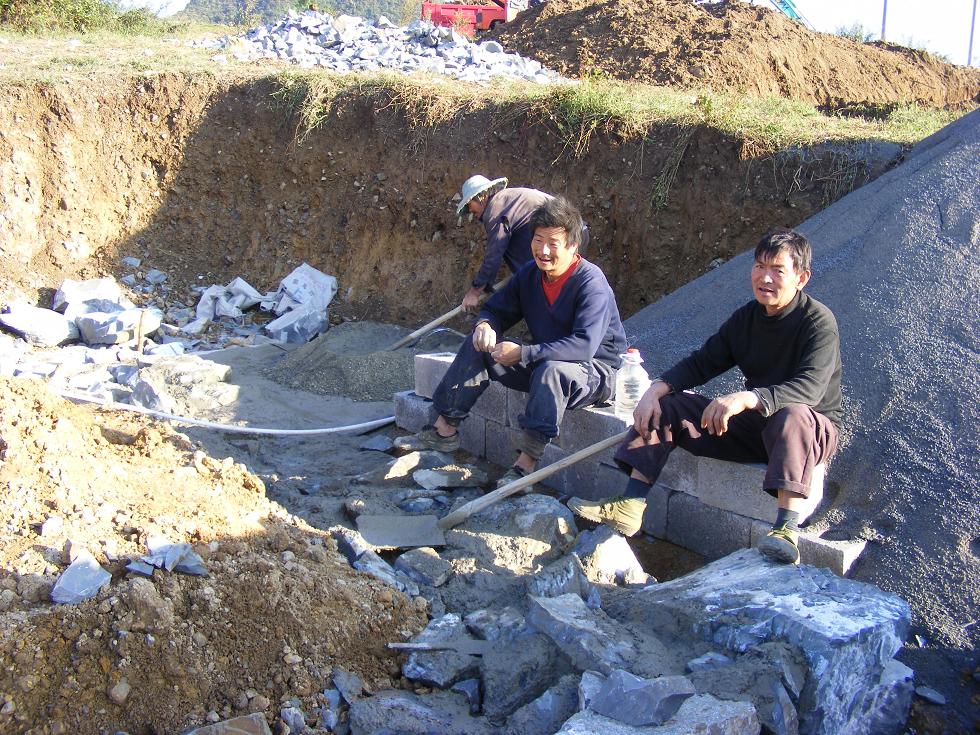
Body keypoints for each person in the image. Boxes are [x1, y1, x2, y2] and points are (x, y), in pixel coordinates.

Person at [567, 228, 842, 565]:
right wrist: (656, 389)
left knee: (792, 415)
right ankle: (631, 503)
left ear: (801, 278)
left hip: (809, 431)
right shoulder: (747, 319)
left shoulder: (817, 322)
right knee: (670, 406)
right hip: (759, 426)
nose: (765, 277)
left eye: (777, 270)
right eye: (759, 266)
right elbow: (703, 362)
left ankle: (786, 530)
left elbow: (810, 388)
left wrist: (746, 398)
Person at [410, 196, 627, 488]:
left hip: (594, 372)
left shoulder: (591, 283)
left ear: (573, 246)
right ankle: (443, 430)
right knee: (479, 344)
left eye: (553, 243)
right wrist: (485, 325)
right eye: (538, 240)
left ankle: (525, 467)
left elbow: (584, 346)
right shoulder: (530, 275)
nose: (543, 250)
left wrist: (523, 353)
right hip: (544, 360)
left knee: (552, 371)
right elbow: (494, 310)